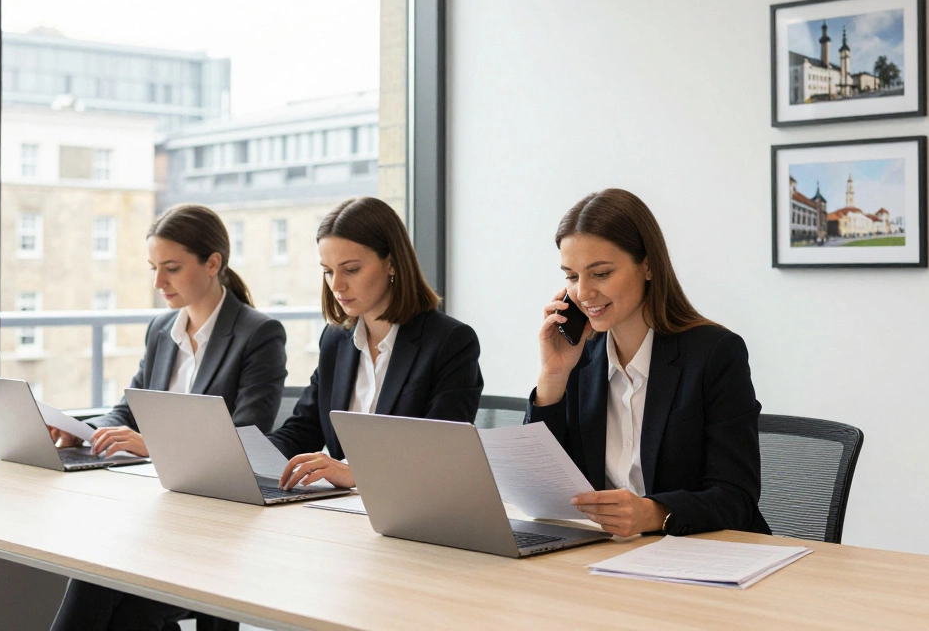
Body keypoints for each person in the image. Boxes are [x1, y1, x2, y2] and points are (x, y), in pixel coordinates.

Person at [50, 204, 287, 631]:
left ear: (213, 263)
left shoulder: (259, 333)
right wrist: (87, 433)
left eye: (172, 268)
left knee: (112, 596)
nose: (158, 282)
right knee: (100, 582)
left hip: (215, 523)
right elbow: (129, 407)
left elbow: (247, 438)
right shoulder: (162, 330)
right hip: (155, 512)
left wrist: (155, 446)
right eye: (154, 268)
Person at [530, 188, 769, 537]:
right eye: (571, 276)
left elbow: (736, 497)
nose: (582, 293)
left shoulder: (715, 354)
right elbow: (539, 491)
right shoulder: (579, 360)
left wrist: (653, 513)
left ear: (648, 267)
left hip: (698, 559)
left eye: (600, 273)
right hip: (606, 560)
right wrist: (552, 375)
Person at [269, 196, 483, 491]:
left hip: (411, 510)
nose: (337, 285)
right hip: (340, 510)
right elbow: (303, 429)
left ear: (392, 263)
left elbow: (439, 454)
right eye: (328, 271)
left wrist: (354, 473)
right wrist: (246, 455)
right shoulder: (336, 340)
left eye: (351, 269)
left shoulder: (449, 342)